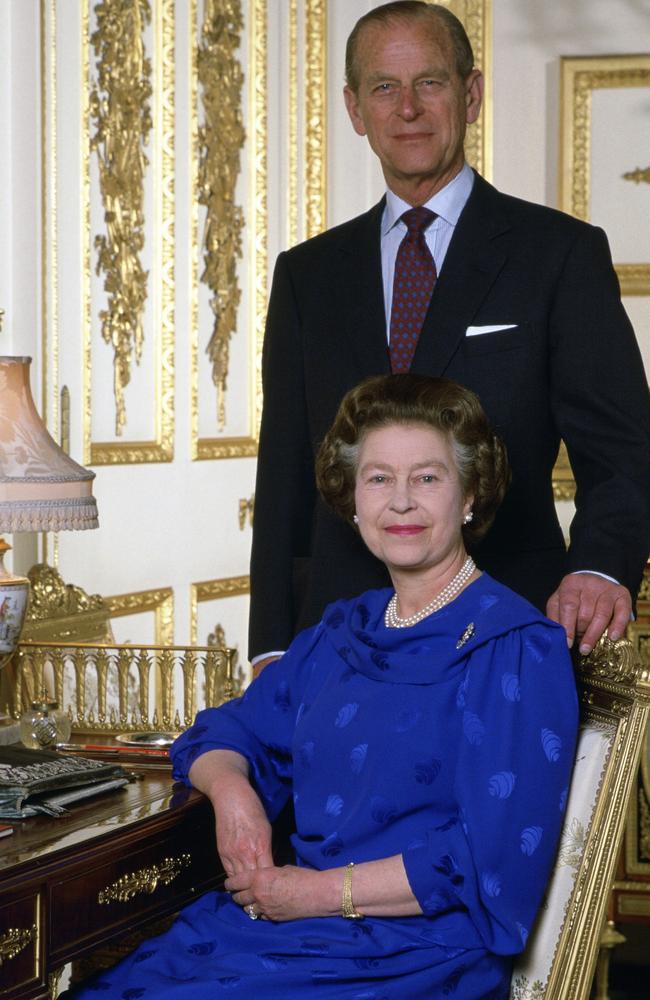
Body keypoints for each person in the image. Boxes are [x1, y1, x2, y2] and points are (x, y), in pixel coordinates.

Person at [69, 375, 578, 999]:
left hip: (416, 954)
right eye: (379, 478)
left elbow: (487, 859)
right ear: (354, 500)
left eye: (427, 477)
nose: (401, 502)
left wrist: (313, 892)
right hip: (287, 931)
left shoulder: (514, 647)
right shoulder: (342, 632)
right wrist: (234, 795)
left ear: (469, 493)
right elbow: (224, 732)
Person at [249, 0, 650, 673]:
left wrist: (601, 569)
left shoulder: (558, 254)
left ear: (471, 95)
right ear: (355, 110)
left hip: (509, 631)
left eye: (429, 83)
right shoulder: (307, 276)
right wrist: (272, 644)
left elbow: (622, 450)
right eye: (385, 87)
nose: (407, 108)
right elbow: (285, 473)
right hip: (339, 643)